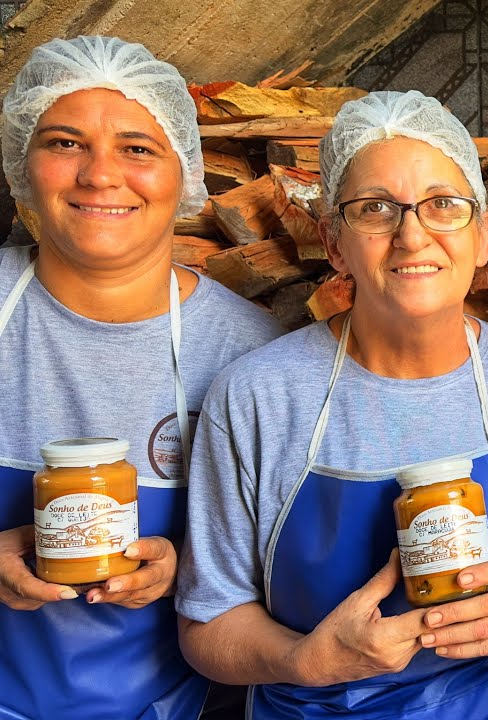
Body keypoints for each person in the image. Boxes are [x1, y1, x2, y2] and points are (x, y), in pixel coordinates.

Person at [174, 90, 488, 719]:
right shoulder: (258, 395)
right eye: (375, 209)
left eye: (442, 206)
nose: (411, 235)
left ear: (483, 237)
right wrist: (304, 661)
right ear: (335, 244)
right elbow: (208, 625)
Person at [0, 36, 281, 718]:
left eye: (137, 148)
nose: (100, 175)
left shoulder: (251, 353)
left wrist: (188, 564)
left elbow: (291, 559)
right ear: (23, 164)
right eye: (65, 142)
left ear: (183, 170)